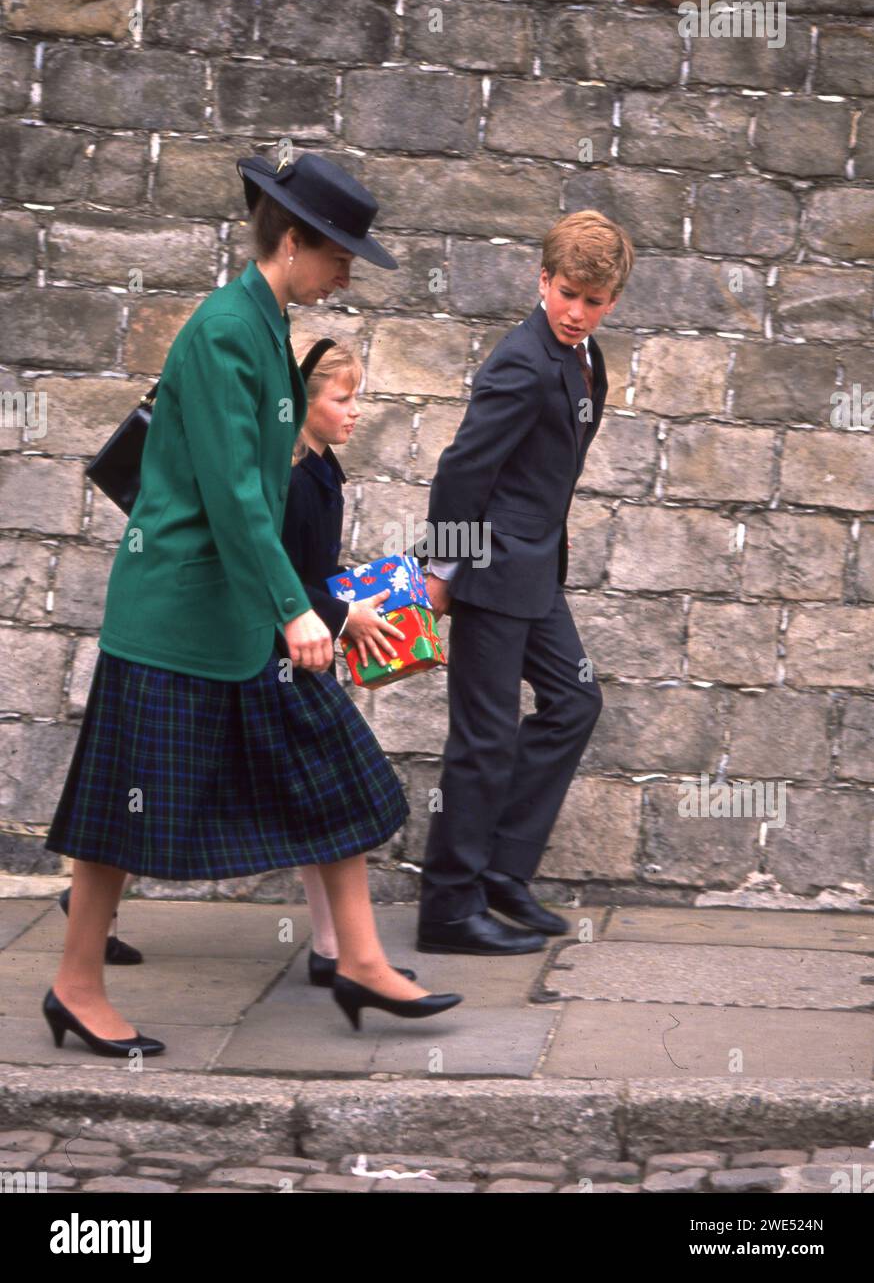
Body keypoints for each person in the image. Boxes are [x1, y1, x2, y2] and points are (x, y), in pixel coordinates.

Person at [42, 152, 461, 1055]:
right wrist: (297, 609)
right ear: (296, 238)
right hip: (179, 618)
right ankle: (76, 986)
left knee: (340, 776)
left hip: (241, 616)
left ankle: (357, 960)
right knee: (121, 814)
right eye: (341, 251)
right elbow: (234, 495)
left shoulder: (269, 325)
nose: (349, 270)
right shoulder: (229, 329)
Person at [416, 210, 635, 956]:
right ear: (543, 281)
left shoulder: (585, 358)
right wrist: (441, 573)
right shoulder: (520, 360)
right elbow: (461, 469)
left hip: (535, 570)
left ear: (612, 300)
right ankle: (447, 908)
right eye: (568, 294)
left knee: (575, 702)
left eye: (594, 300)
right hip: (487, 571)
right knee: (482, 739)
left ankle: (503, 872)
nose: (578, 312)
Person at [279, 328, 416, 986]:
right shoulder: (287, 474)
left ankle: (332, 951)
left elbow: (310, 567)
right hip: (272, 659)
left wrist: (362, 593)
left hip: (303, 654)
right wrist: (342, 614)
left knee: (320, 803)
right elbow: (269, 573)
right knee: (329, 796)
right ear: (303, 399)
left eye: (357, 397)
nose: (355, 410)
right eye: (343, 398)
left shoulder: (324, 466)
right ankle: (92, 898)